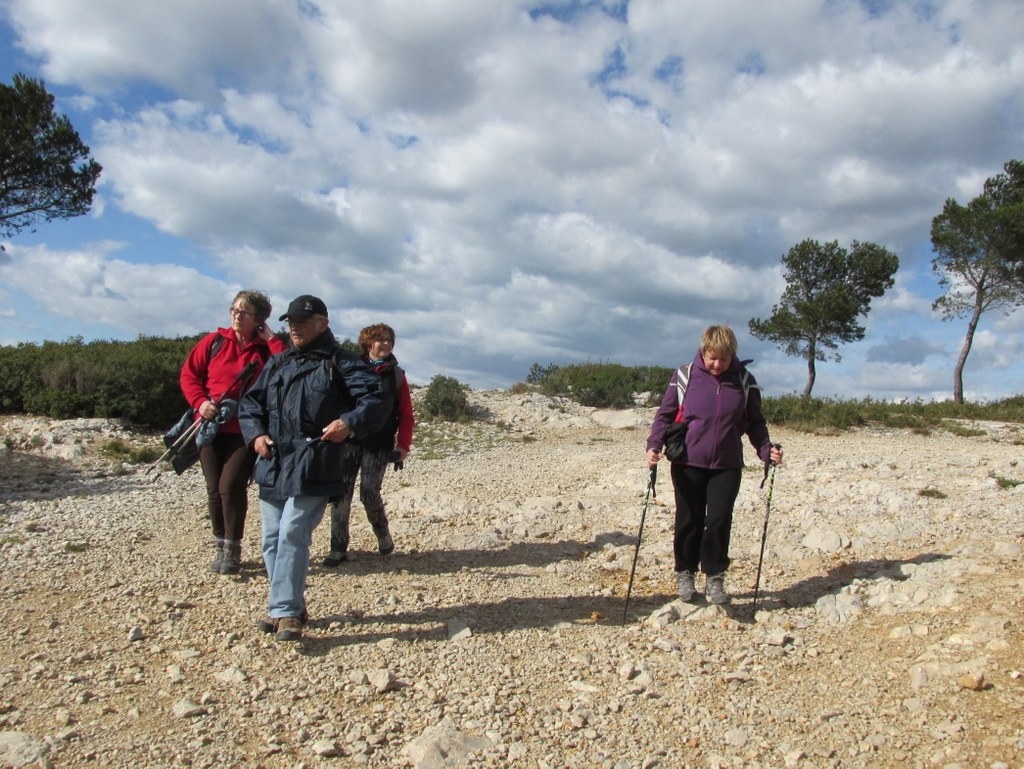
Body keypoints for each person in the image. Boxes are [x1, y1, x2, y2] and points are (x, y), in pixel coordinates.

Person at [238, 295, 391, 642]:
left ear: (323, 323)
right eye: (290, 322)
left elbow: (377, 399)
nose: (294, 328)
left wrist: (348, 424)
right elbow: (251, 404)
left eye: (302, 322)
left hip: (315, 461)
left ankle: (286, 611)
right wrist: (255, 436)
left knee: (293, 531)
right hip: (274, 461)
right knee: (271, 538)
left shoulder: (342, 362)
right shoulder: (277, 364)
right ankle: (288, 604)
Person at [645, 325, 783, 605]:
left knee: (719, 520)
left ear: (732, 355)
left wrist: (766, 450)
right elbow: (665, 414)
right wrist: (654, 445)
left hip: (727, 463)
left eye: (723, 358)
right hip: (687, 461)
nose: (716, 364)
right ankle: (685, 573)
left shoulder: (744, 380)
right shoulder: (684, 376)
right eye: (711, 357)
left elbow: (755, 422)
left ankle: (715, 577)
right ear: (702, 352)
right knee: (689, 519)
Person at [180, 290, 287, 575]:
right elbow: (189, 375)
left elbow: (287, 369)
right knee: (214, 488)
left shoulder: (265, 349)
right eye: (234, 310)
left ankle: (233, 548)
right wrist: (200, 403)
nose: (237, 316)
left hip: (247, 430)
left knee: (231, 486)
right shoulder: (213, 342)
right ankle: (220, 544)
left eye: (245, 312)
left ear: (259, 320)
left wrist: (272, 340)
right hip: (211, 427)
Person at [323, 323, 415, 566]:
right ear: (367, 342)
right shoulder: (349, 368)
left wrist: (403, 445)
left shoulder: (396, 376)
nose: (385, 344)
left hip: (379, 444)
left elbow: (406, 414)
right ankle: (337, 547)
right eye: (380, 339)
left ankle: (382, 534)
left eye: (389, 340)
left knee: (369, 492)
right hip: (348, 440)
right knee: (341, 493)